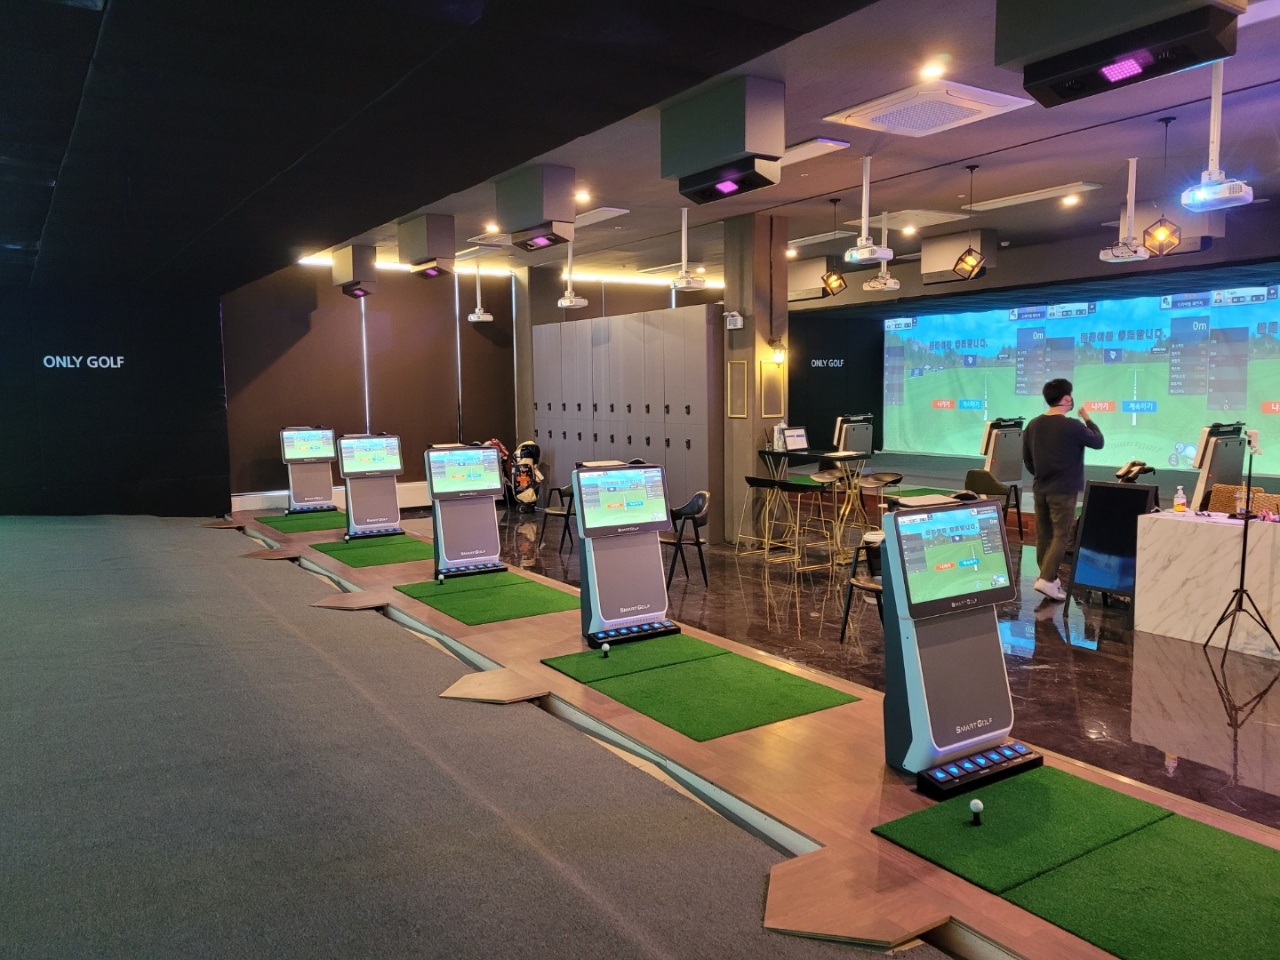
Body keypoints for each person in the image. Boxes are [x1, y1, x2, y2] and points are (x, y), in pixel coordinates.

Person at [1022, 378, 1104, 601]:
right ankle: (1047, 579)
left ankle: (1048, 577)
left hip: (1040, 487)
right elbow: (1098, 442)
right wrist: (1088, 419)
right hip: (1064, 490)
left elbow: (1027, 459)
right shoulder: (1073, 426)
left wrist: (1041, 474)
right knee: (1061, 535)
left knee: (1044, 535)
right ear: (1067, 398)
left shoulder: (1033, 425)